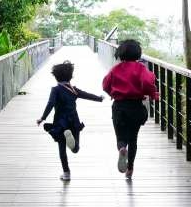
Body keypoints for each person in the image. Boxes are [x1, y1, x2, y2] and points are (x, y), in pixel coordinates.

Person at [37, 60, 104, 181]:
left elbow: (50, 104)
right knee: (75, 149)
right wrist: (99, 98)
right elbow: (86, 95)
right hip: (73, 120)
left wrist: (42, 117)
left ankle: (66, 173)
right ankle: (74, 146)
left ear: (56, 77)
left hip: (60, 122)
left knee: (61, 148)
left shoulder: (56, 90)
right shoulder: (74, 90)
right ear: (70, 76)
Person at [102, 39, 159, 180]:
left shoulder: (115, 69)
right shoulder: (141, 69)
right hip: (136, 106)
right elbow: (148, 82)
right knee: (133, 139)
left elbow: (105, 85)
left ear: (120, 54)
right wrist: (153, 95)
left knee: (121, 136)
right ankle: (130, 169)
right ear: (138, 53)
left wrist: (113, 94)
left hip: (119, 107)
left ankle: (122, 149)